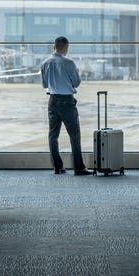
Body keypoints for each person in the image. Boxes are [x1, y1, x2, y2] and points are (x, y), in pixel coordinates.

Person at [41, 36, 92, 176]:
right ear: (65, 47)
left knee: (53, 135)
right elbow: (76, 83)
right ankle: (79, 168)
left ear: (54, 47)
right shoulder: (69, 63)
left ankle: (58, 167)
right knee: (74, 135)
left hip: (52, 101)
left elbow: (44, 85)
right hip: (67, 102)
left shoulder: (45, 63)